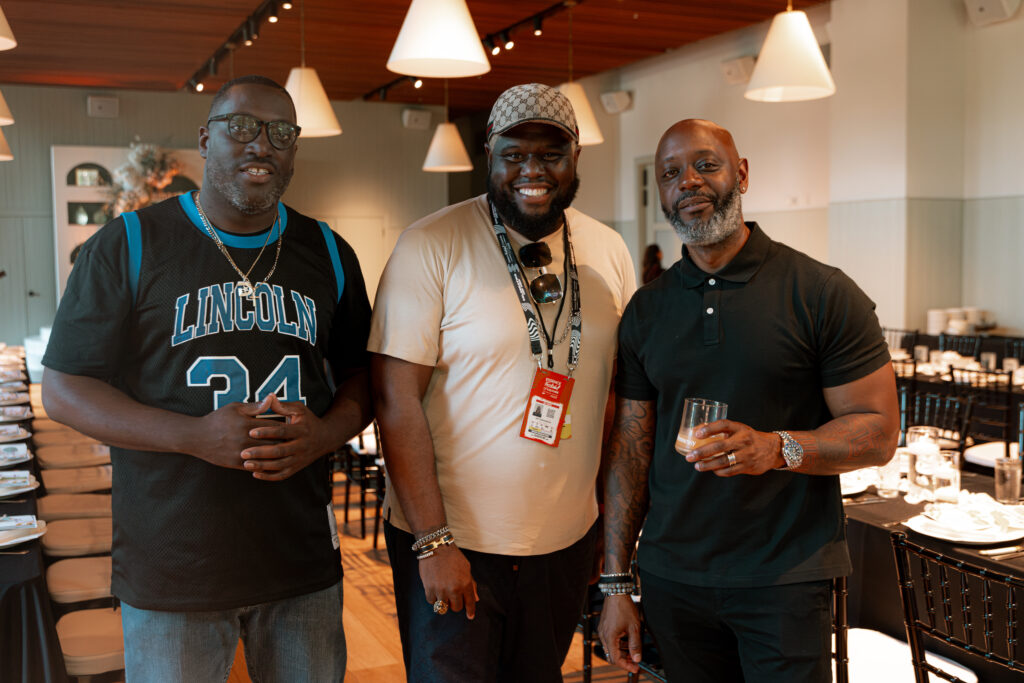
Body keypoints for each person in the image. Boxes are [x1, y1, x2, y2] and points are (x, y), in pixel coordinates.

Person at [40, 75, 371, 682]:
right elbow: (64, 390)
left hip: (299, 559)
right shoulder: (130, 243)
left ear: (294, 148)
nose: (260, 145)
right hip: (174, 564)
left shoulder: (327, 251)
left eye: (280, 132)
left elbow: (362, 379)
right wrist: (192, 436)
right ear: (206, 138)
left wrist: (326, 435)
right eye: (241, 127)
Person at [597, 119, 899, 682]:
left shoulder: (821, 292)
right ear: (661, 193)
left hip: (786, 578)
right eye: (670, 173)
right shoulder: (646, 309)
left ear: (741, 174)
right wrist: (616, 582)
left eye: (705, 165)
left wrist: (776, 447)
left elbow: (879, 432)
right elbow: (631, 454)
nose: (688, 181)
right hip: (673, 578)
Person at [369, 83, 636, 681]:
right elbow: (395, 399)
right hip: (457, 542)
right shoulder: (429, 244)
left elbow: (613, 396)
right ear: (490, 154)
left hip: (564, 542)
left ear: (576, 159)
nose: (532, 171)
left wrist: (602, 525)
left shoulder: (609, 250)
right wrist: (434, 542)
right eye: (514, 154)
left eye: (550, 154)